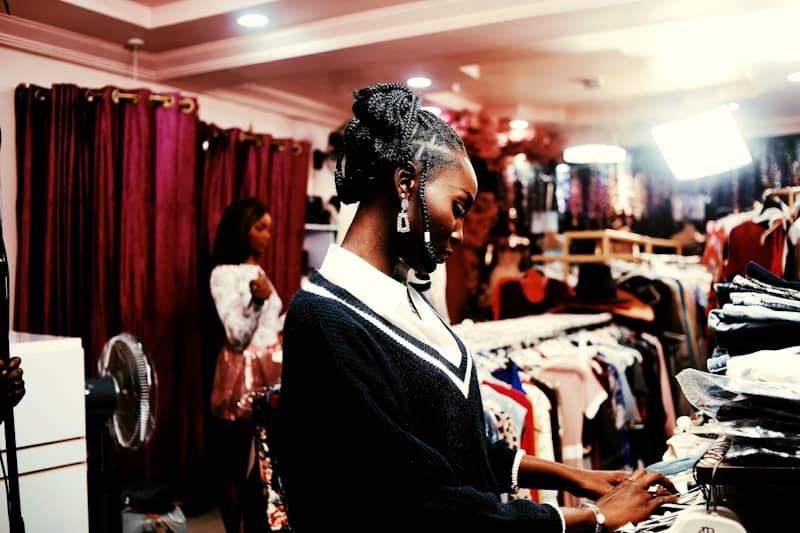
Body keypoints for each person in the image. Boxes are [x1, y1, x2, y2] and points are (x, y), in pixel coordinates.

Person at [276, 83, 677, 532]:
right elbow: (417, 503)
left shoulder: (406, 298)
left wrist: (576, 477)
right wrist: (590, 518)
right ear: (406, 183)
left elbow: (455, 443)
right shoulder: (325, 319)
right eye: (458, 207)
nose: (462, 232)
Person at [208, 197, 283, 533]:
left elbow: (270, 326)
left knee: (266, 462)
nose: (268, 236)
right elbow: (236, 336)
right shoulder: (223, 274)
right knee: (236, 464)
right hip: (243, 373)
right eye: (260, 228)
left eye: (269, 229)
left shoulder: (259, 270)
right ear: (243, 229)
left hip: (271, 369)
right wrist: (257, 300)